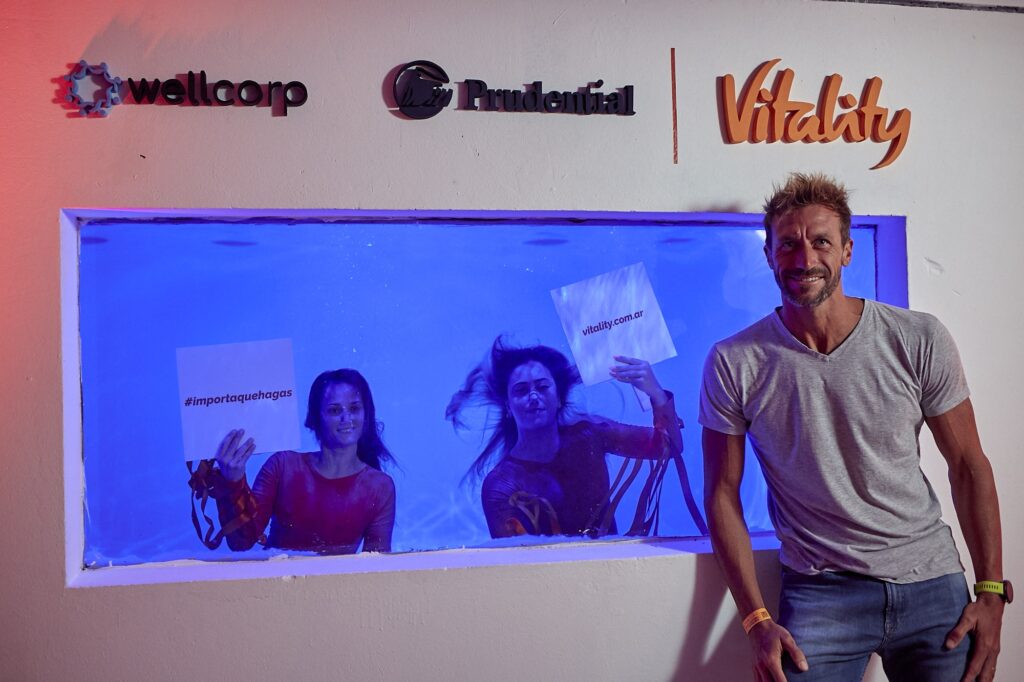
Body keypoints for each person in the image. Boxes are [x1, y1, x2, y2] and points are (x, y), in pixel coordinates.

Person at [700, 172, 1007, 681]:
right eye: (788, 244)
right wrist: (755, 620)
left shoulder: (918, 337)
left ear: (847, 250)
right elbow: (721, 493)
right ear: (769, 255)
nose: (804, 258)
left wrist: (992, 590)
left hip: (931, 585)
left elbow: (968, 465)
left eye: (821, 241)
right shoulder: (735, 361)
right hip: (820, 593)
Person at [447, 336, 701, 538]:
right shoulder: (501, 484)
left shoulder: (589, 433)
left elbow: (669, 447)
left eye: (542, 387)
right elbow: (514, 566)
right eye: (521, 391)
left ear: (558, 397)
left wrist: (655, 393)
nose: (534, 397)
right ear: (508, 407)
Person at [209, 369, 396, 554]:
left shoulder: (380, 486)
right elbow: (240, 542)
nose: (346, 418)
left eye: (354, 409)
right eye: (334, 410)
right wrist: (232, 482)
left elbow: (377, 566)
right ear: (315, 418)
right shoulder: (282, 466)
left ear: (366, 415)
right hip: (277, 574)